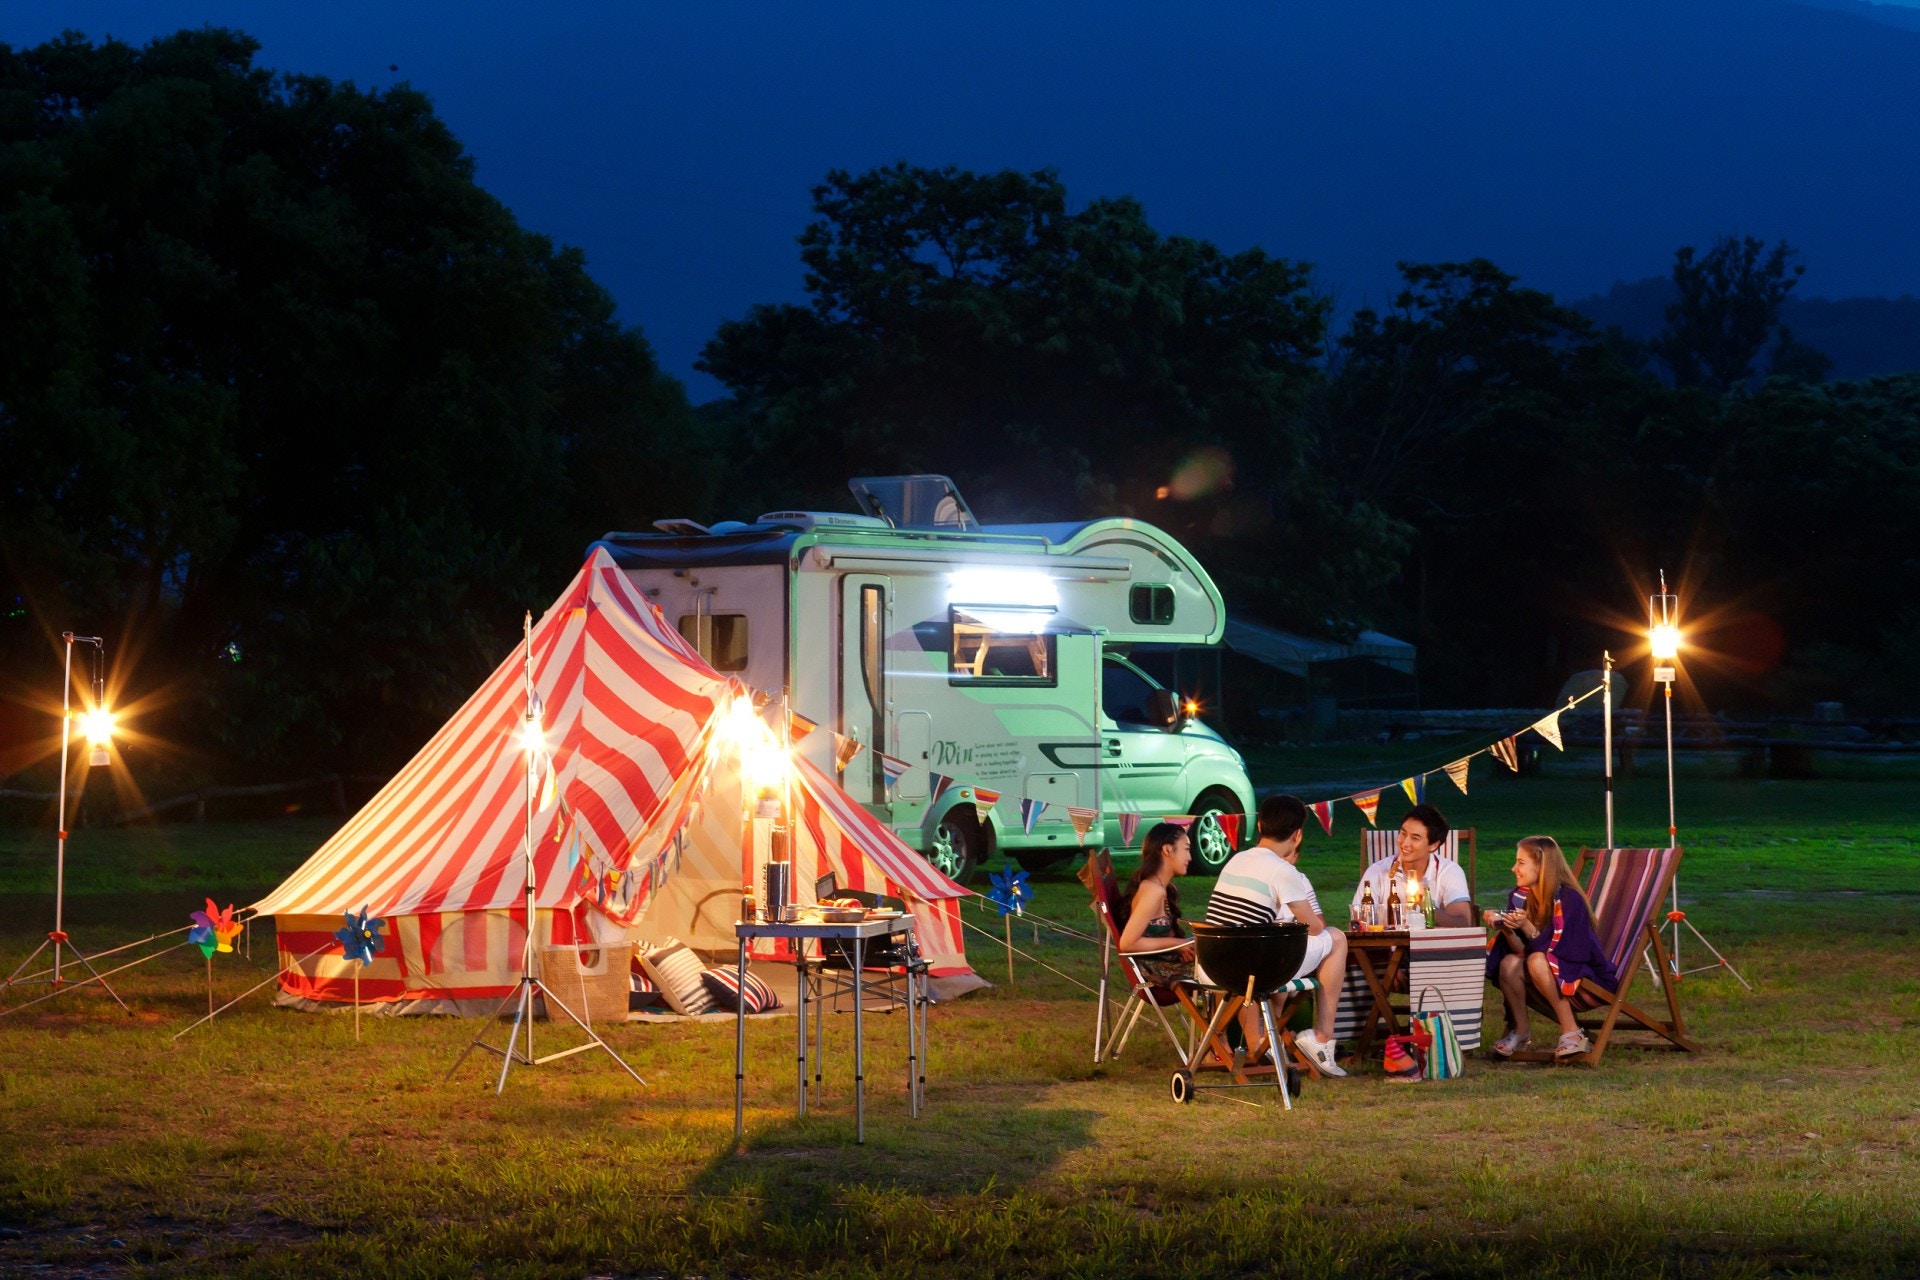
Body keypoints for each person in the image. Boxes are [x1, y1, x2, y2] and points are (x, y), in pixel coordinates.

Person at [1204, 793, 1349, 1077]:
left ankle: (1258, 1041)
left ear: (1259, 827)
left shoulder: (1235, 860)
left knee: (1270, 945)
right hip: (1252, 972)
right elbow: (1315, 927)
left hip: (1212, 965)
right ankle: (1321, 1038)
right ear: (1297, 835)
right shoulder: (1283, 870)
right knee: (1337, 938)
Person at [1484, 835, 1618, 1059]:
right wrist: (1506, 927)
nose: (1513, 868)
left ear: (1541, 865)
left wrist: (1527, 926)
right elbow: (1521, 950)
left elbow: (1562, 950)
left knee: (1537, 960)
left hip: (1581, 976)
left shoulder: (1569, 899)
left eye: (1521, 862)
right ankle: (1521, 1030)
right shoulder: (1521, 897)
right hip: (1547, 972)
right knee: (1508, 962)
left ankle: (1572, 1033)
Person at [1351, 804, 1475, 928]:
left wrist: (1425, 904)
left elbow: (1463, 923)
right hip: (1387, 946)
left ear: (1433, 846)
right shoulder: (1377, 872)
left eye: (1415, 838)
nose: (1405, 843)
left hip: (1433, 946)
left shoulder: (1449, 872)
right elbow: (1356, 925)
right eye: (1403, 834)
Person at [1116, 822, 1195, 986]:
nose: (1190, 857)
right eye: (1186, 849)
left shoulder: (1161, 887)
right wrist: (1178, 944)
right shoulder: (1152, 890)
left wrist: (1182, 947)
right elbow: (1127, 943)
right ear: (1167, 850)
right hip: (1155, 970)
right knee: (1224, 971)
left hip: (1163, 962)